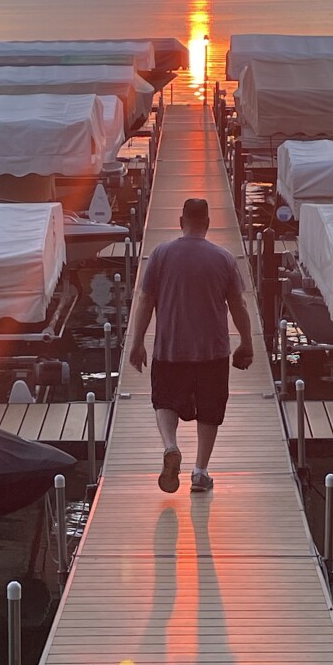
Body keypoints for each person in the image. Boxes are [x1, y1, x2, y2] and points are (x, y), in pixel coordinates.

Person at [127, 196, 253, 493]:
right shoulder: (223, 258)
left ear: (181, 222)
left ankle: (171, 446)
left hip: (170, 348)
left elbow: (145, 300)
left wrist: (137, 343)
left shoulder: (160, 254)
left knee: (165, 400)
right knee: (210, 410)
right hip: (213, 351)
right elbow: (239, 305)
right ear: (207, 224)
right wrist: (246, 343)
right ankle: (200, 472)